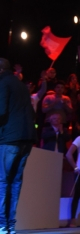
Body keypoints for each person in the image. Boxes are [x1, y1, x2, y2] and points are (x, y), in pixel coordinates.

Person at [0, 58, 37, 234]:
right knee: (15, 182)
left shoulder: (4, 83)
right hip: (26, 139)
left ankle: (2, 224)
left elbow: (1, 111)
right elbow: (32, 113)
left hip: (10, 139)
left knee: (3, 181)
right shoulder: (21, 85)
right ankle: (11, 225)